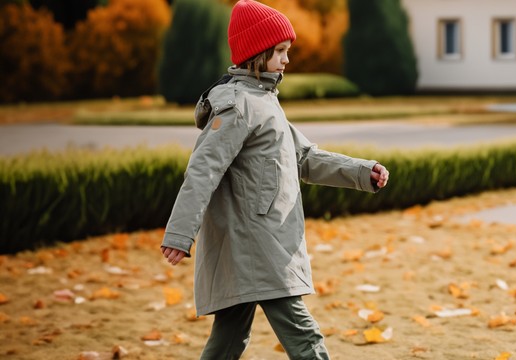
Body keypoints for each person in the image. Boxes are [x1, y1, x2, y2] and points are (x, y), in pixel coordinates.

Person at [159, 1, 390, 359]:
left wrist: (362, 172)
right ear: (257, 52)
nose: (286, 60)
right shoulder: (239, 105)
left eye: (287, 51)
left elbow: (305, 158)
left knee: (228, 341)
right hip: (257, 242)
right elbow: (203, 169)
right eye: (280, 51)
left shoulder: (264, 102)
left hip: (258, 242)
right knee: (304, 337)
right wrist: (179, 233)